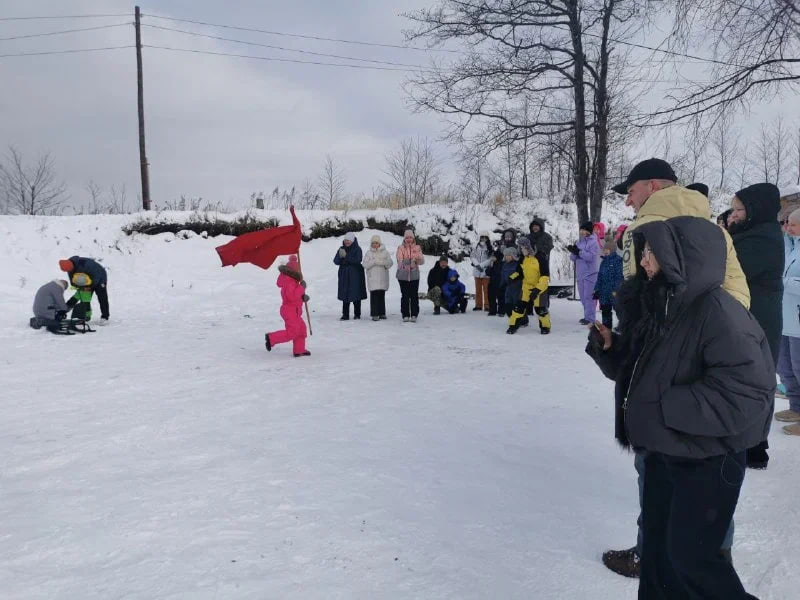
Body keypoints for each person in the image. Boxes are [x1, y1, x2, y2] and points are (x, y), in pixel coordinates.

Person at [586, 216, 773, 599]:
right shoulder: (660, 305)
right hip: (664, 452)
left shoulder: (720, 314)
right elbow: (642, 373)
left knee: (692, 560)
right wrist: (611, 350)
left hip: (708, 459)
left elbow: (746, 394)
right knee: (657, 553)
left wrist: (664, 407)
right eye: (644, 252)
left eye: (653, 252)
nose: (644, 261)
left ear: (684, 256)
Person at [603, 158, 750, 577]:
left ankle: (651, 552)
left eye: (631, 190)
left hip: (664, 367)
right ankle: (715, 554)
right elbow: (738, 294)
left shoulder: (646, 230)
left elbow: (644, 308)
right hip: (715, 360)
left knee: (655, 463)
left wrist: (626, 351)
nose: (628, 201)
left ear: (653, 186)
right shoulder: (715, 228)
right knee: (710, 461)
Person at [728, 182, 784, 469]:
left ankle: (755, 447)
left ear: (755, 210)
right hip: (752, 318)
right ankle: (749, 441)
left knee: (756, 379)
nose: (733, 215)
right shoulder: (753, 233)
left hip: (759, 320)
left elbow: (731, 267)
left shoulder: (763, 239)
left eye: (739, 210)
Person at [776, 207, 800, 434]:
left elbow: (787, 280)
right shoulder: (791, 247)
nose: (787, 228)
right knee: (785, 367)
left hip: (798, 321)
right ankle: (796, 407)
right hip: (786, 318)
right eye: (786, 223)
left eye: (792, 224)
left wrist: (784, 282)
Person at [265, 255, 310, 357]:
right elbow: (292, 297)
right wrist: (302, 288)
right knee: (292, 332)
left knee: (301, 329)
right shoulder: (289, 282)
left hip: (295, 311)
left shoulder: (293, 282)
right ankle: (271, 338)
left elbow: (296, 296)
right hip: (289, 311)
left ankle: (299, 349)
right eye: (297, 270)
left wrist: (303, 297)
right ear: (294, 272)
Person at [507, 237, 551, 335]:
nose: (522, 250)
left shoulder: (540, 257)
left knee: (541, 310)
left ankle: (545, 327)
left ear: (529, 247)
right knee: (519, 307)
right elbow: (519, 272)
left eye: (524, 248)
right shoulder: (522, 259)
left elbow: (545, 276)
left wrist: (537, 289)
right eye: (521, 248)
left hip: (540, 288)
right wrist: (512, 277)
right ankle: (513, 326)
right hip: (526, 287)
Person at [59, 256, 110, 323]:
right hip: (86, 281)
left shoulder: (85, 264)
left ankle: (105, 317)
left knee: (102, 297)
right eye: (68, 271)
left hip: (100, 278)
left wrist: (90, 286)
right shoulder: (69, 267)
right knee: (84, 298)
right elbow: (72, 280)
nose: (69, 271)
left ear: (72, 266)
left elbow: (97, 274)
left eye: (70, 270)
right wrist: (78, 286)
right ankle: (86, 315)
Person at [567, 222, 599, 325]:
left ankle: (590, 318)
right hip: (580, 273)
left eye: (584, 230)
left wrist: (579, 252)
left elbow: (591, 257)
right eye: (581, 230)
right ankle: (587, 316)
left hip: (590, 273)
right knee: (583, 297)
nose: (582, 232)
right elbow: (573, 258)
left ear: (588, 231)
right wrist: (573, 251)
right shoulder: (578, 242)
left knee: (588, 297)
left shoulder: (594, 242)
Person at [333, 232, 367, 320]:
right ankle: (345, 314)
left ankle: (357, 314)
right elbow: (336, 261)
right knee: (345, 294)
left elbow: (358, 260)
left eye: (348, 240)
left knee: (356, 293)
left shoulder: (357, 249)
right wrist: (340, 257)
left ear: (352, 240)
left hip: (355, 275)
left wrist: (346, 256)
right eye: (345, 240)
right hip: (344, 275)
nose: (347, 242)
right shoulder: (341, 249)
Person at [593, 238, 623, 329]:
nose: (605, 251)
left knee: (619, 311)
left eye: (607, 249)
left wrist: (616, 290)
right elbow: (600, 277)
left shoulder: (618, 261)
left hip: (614, 292)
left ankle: (623, 327)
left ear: (612, 250)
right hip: (604, 293)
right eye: (604, 249)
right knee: (605, 312)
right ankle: (606, 329)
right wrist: (597, 290)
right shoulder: (603, 262)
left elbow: (619, 277)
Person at [362, 234, 393, 321]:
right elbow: (365, 264)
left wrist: (382, 262)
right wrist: (374, 262)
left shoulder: (385, 252)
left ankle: (382, 313)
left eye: (376, 243)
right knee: (374, 296)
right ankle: (374, 314)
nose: (374, 244)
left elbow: (390, 263)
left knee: (381, 296)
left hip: (383, 278)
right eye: (373, 243)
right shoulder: (368, 253)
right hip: (373, 278)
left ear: (379, 243)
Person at [527, 219, 554, 320]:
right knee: (529, 284)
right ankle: (529, 307)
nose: (535, 227)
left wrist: (537, 249)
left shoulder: (547, 237)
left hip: (542, 263)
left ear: (541, 227)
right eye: (533, 226)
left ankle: (544, 306)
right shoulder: (528, 237)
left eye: (537, 226)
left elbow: (549, 247)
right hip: (530, 265)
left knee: (542, 285)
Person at [396, 229, 425, 322]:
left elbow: (422, 261)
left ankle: (414, 314)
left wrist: (416, 260)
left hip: (414, 276)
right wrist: (409, 262)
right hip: (403, 276)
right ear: (404, 239)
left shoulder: (417, 247)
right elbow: (399, 261)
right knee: (405, 296)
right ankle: (405, 314)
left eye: (410, 237)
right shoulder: (400, 248)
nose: (409, 239)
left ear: (413, 238)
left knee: (414, 295)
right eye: (407, 238)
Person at [470, 232, 493, 311]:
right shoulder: (475, 247)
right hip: (477, 271)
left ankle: (487, 305)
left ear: (487, 238)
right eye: (482, 237)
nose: (483, 239)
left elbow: (490, 259)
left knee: (486, 290)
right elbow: (472, 256)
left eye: (485, 237)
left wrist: (481, 265)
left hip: (485, 271)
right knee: (478, 290)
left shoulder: (490, 247)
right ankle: (478, 305)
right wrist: (477, 265)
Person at [501, 246, 522, 318]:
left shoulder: (517, 264)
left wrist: (512, 278)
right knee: (508, 304)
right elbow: (503, 275)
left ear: (513, 256)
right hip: (508, 286)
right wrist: (501, 284)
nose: (507, 257)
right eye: (506, 255)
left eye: (509, 255)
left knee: (516, 304)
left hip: (517, 286)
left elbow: (519, 273)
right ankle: (512, 318)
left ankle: (522, 320)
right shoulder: (505, 265)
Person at [487, 239, 505, 316]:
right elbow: (487, 272)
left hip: (501, 280)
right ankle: (492, 310)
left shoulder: (504, 257)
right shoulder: (494, 255)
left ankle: (501, 311)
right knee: (491, 295)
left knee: (501, 296)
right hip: (492, 280)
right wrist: (490, 265)